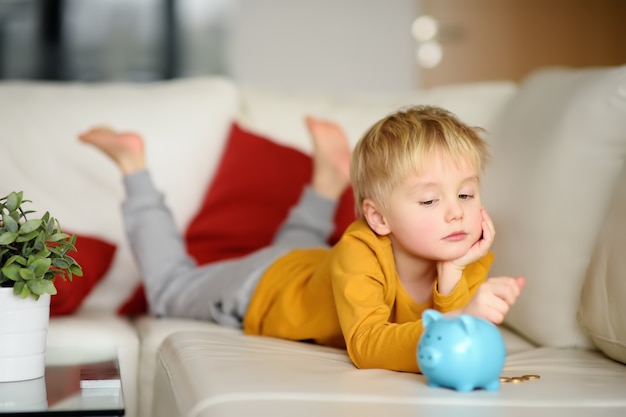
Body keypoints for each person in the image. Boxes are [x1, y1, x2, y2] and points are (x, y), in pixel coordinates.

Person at [79, 105, 525, 373]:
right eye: (430, 200)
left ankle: (327, 181)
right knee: (171, 288)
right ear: (379, 218)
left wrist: (452, 280)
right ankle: (132, 165)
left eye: (466, 193)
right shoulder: (359, 249)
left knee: (299, 246)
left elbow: (450, 352)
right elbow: (368, 347)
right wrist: (460, 314)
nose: (456, 211)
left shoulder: (467, 254)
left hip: (314, 267)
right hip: (264, 286)